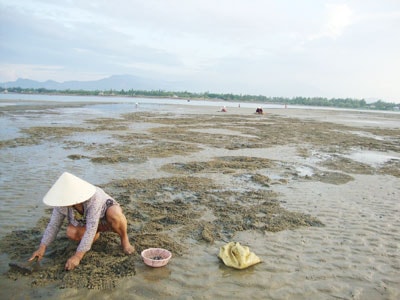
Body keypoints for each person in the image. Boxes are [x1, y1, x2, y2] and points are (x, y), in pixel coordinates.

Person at [29, 172, 135, 271]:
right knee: (72, 233)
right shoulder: (61, 204)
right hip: (87, 221)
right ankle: (96, 234)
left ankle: (124, 238)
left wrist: (77, 256)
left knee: (115, 215)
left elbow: (91, 227)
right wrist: (42, 247)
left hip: (104, 215)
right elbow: (54, 225)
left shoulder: (95, 197)